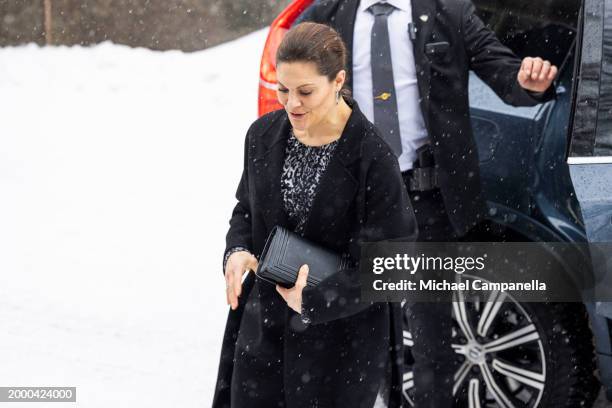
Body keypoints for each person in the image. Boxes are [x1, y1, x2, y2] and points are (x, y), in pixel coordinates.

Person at [300, 0, 558, 406]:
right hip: (352, 201)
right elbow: (290, 99)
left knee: (430, 337)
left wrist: (529, 82)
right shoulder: (325, 17)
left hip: (426, 199)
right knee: (349, 331)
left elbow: (505, 74)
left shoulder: (448, 12)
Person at [212, 22, 418, 408]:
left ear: (338, 80)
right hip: (264, 334)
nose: (292, 104)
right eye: (283, 90)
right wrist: (237, 250)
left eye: (306, 91)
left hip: (341, 347)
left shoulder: (372, 156)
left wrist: (317, 299)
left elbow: (395, 263)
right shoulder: (261, 135)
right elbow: (246, 209)